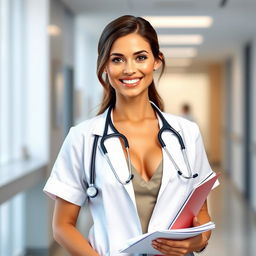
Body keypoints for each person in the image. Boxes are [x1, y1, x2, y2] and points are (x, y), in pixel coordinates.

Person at [43, 15, 219, 256]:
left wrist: (197, 242)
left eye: (141, 57)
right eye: (117, 59)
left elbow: (201, 216)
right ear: (105, 66)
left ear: (157, 61)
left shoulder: (187, 134)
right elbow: (62, 226)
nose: (129, 69)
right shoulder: (83, 138)